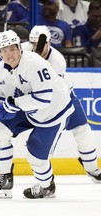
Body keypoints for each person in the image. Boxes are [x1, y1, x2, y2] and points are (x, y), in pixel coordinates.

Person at [0, 29, 74, 199]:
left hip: (53, 112)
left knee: (35, 156)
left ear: (20, 47)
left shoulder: (35, 63)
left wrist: (13, 104)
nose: (9, 54)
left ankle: (47, 186)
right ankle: (4, 178)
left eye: (12, 48)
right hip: (26, 108)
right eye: (4, 50)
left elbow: (44, 98)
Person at [23, 25, 101, 183]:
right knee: (43, 145)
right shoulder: (22, 50)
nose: (37, 47)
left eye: (41, 44)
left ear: (50, 42)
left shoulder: (57, 60)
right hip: (36, 103)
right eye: (33, 43)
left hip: (62, 100)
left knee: (83, 131)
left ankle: (92, 168)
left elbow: (47, 91)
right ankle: (45, 179)